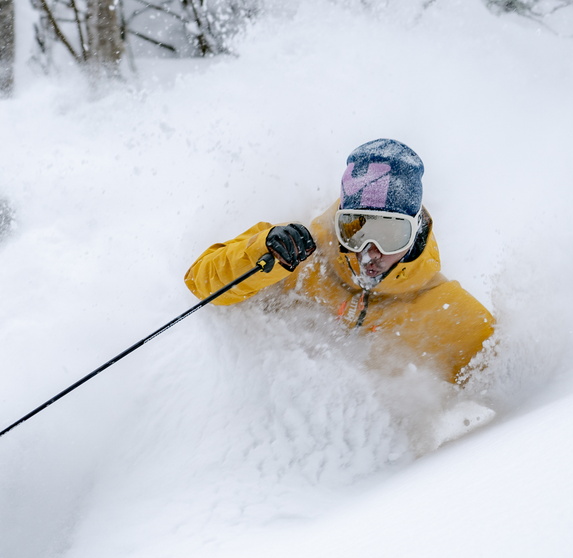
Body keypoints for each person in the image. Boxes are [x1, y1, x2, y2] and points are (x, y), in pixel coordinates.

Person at [184, 139, 494, 385]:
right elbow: (201, 282)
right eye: (355, 229)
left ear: (416, 232)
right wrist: (263, 253)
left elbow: (506, 389)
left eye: (391, 233)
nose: (370, 252)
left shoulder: (444, 310)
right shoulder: (300, 257)